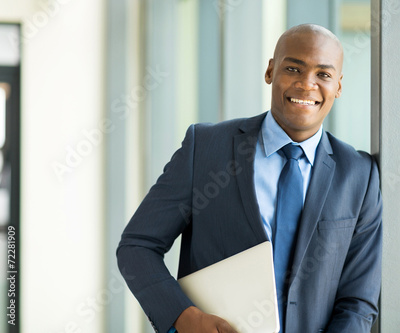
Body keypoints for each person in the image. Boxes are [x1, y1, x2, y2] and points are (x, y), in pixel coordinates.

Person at [117, 23, 382, 333]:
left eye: (323, 74)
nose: (306, 84)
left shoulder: (359, 175)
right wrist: (185, 317)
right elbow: (137, 246)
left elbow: (358, 301)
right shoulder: (205, 148)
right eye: (293, 68)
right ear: (270, 71)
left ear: (338, 86)